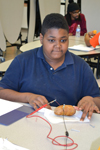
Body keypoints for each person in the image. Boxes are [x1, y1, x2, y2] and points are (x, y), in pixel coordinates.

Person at [0, 13, 100, 121]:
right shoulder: (23, 61)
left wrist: (90, 100)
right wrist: (28, 97)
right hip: (27, 122)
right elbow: (2, 91)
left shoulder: (81, 67)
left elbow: (97, 98)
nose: (58, 46)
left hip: (67, 127)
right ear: (41, 38)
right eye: (51, 40)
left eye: (63, 40)